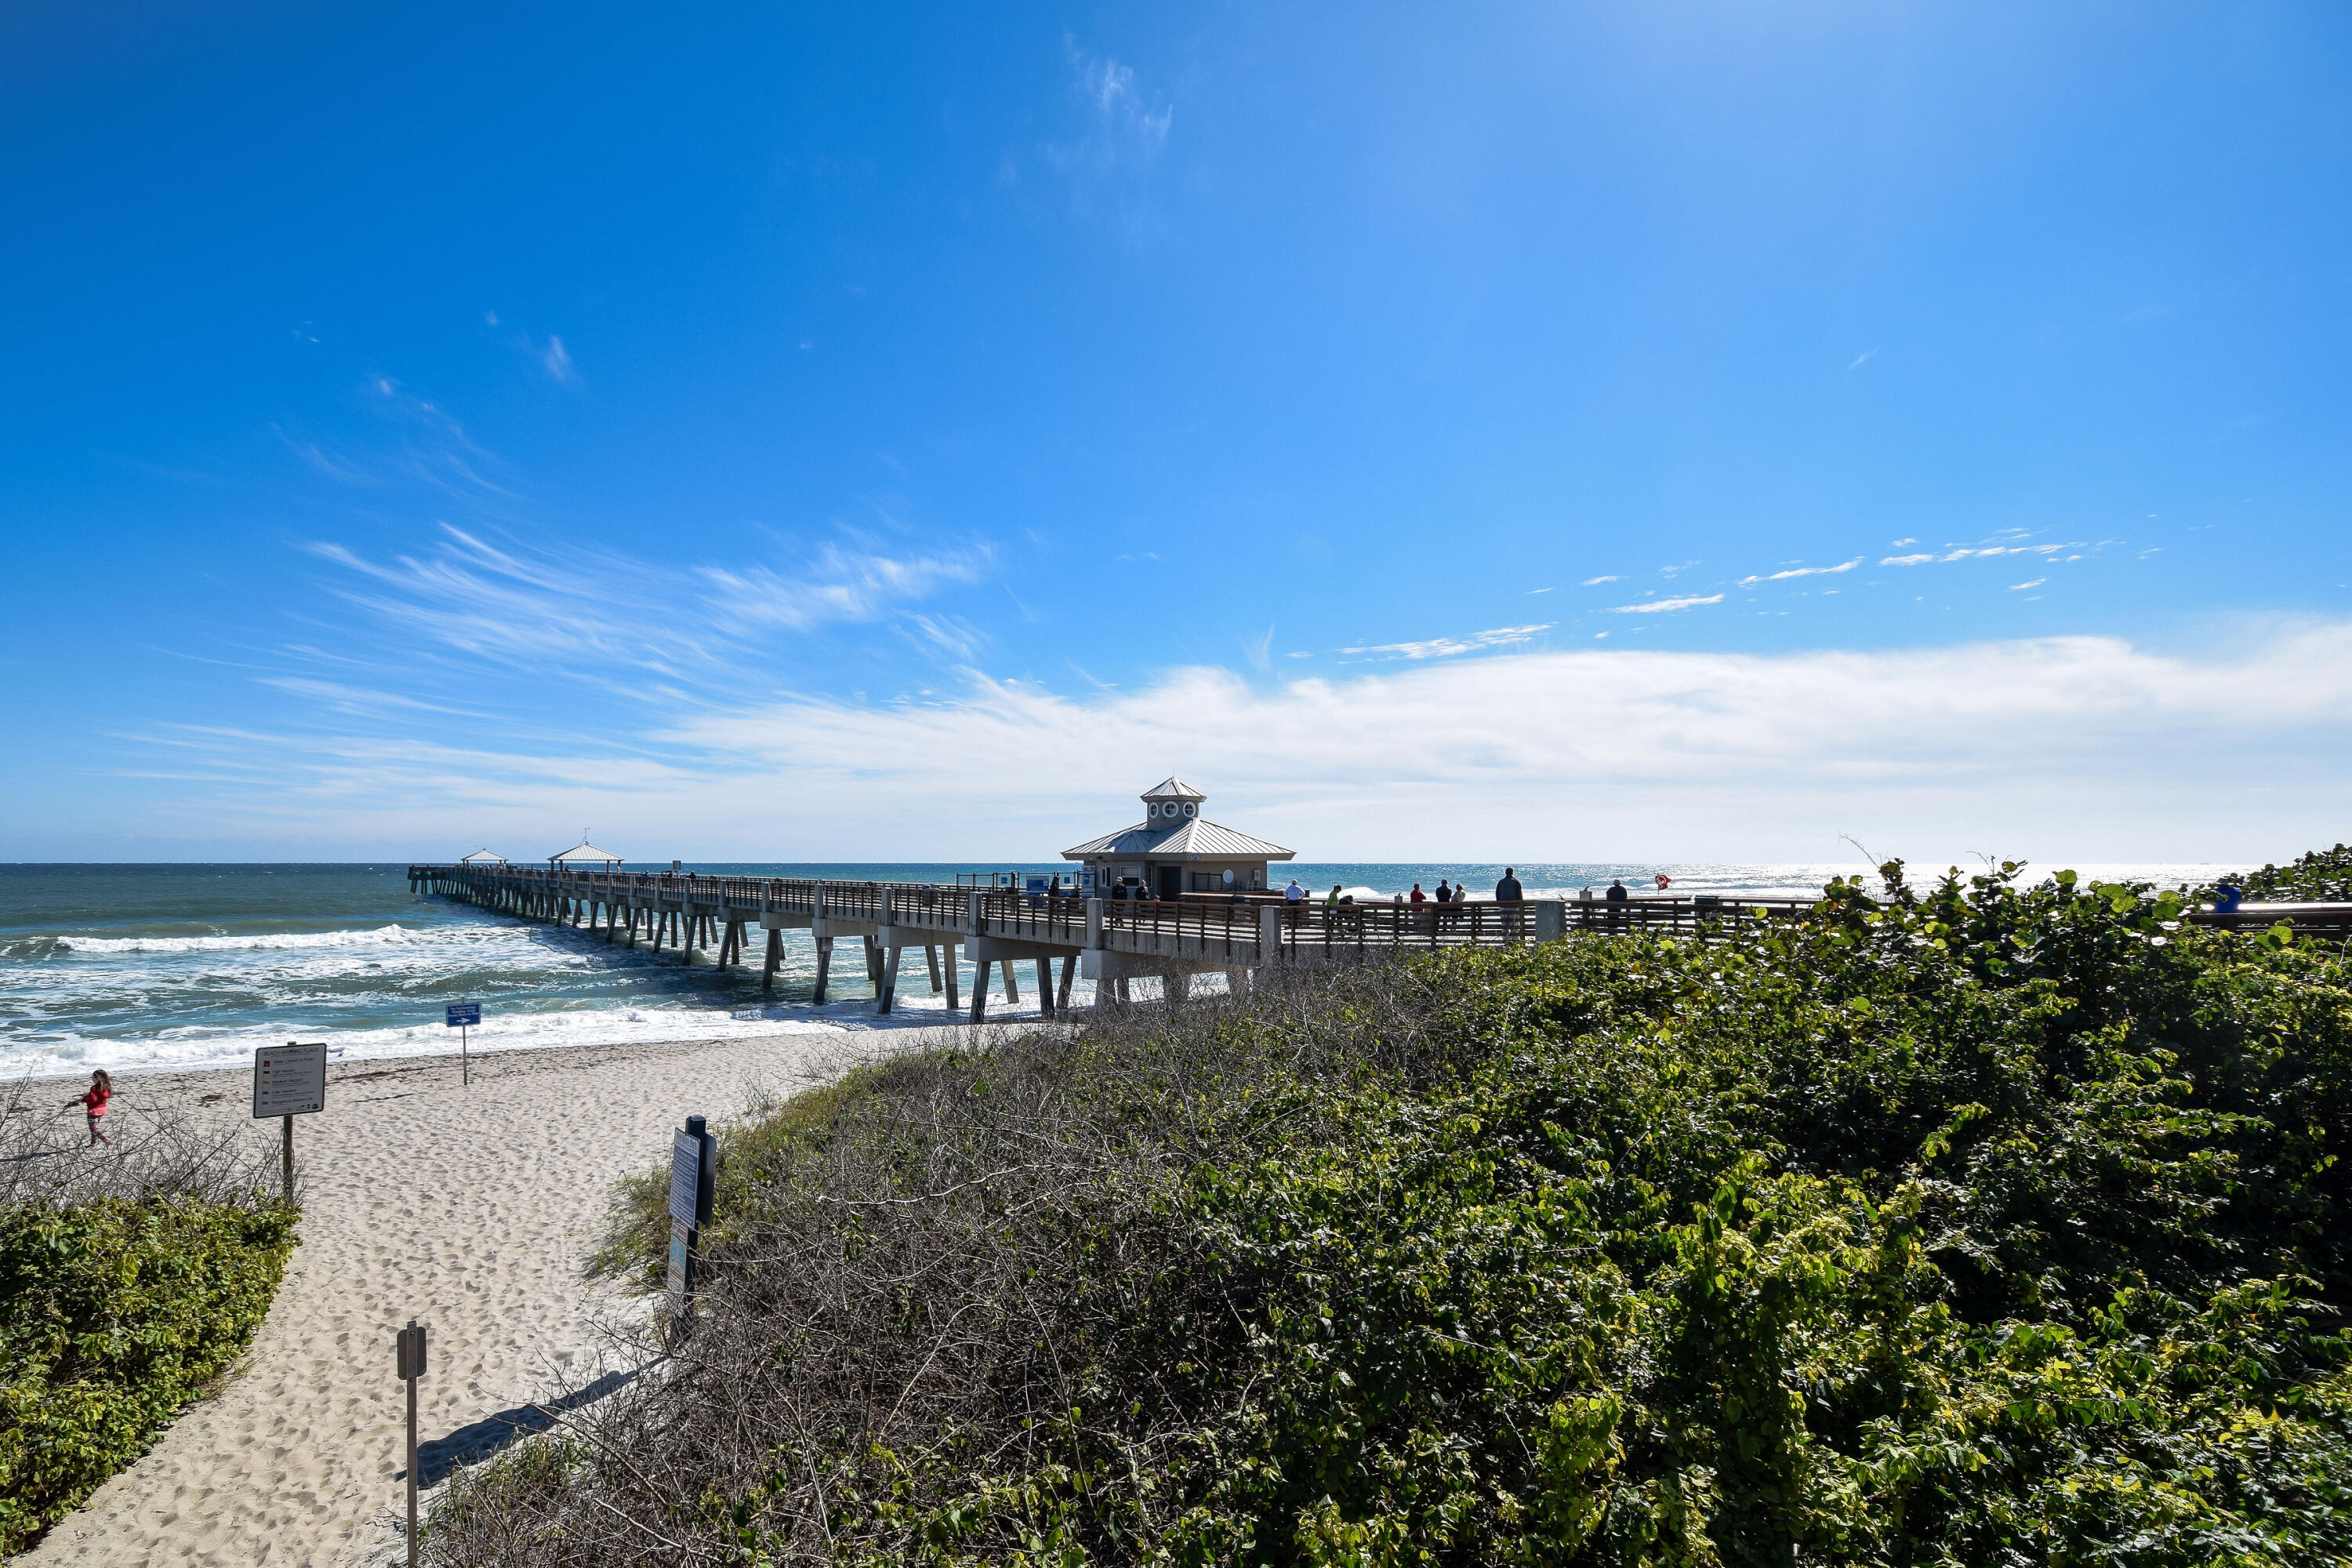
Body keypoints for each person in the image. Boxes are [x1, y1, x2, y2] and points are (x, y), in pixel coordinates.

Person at [67, 1069, 112, 1147]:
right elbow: (103, 1096)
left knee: (93, 1129)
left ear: (97, 1078)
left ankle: (105, 1140)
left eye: (93, 1077)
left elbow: (93, 1099)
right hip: (102, 1110)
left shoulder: (94, 1088)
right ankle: (93, 1143)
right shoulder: (106, 1087)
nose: (92, 1079)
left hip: (93, 1111)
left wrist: (83, 1100)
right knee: (94, 1126)